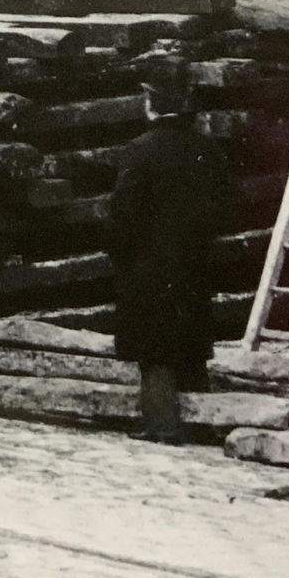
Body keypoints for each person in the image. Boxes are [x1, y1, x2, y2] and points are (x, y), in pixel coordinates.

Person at [107, 52, 230, 443]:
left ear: (150, 99)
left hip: (149, 269)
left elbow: (123, 217)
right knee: (191, 348)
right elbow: (226, 207)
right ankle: (204, 422)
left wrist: (121, 256)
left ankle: (161, 425)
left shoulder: (139, 150)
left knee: (155, 353)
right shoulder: (208, 150)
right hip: (194, 265)